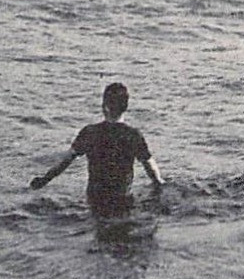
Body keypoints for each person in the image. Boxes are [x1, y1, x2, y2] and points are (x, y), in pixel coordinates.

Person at [29, 82, 165, 217]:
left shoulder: (90, 132)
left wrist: (44, 180)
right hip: (122, 199)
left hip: (95, 198)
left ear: (104, 107)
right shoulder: (133, 135)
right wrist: (159, 184)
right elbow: (150, 167)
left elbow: (65, 161)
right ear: (126, 107)